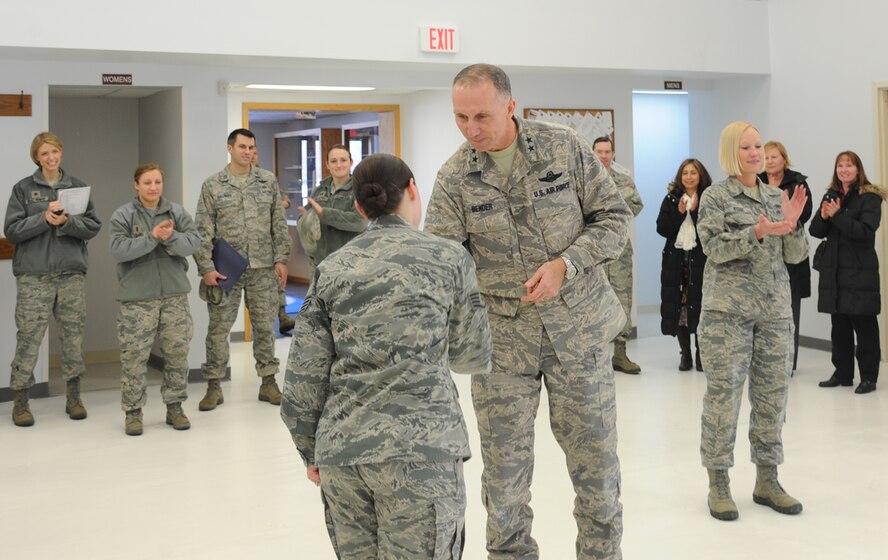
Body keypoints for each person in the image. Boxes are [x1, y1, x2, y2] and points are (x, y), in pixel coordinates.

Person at [425, 63, 631, 560]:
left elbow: (615, 220)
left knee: (596, 469)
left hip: (578, 333)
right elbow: (442, 264)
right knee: (504, 480)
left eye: (482, 115)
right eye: (460, 117)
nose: (471, 129)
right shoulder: (455, 178)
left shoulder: (564, 148)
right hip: (501, 345)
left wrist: (568, 264)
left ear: (511, 106)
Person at [281, 153, 491, 559]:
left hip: (344, 453)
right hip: (422, 452)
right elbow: (472, 356)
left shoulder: (332, 269)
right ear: (413, 189)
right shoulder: (449, 258)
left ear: (359, 207)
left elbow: (303, 379)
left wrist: (311, 452)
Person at [697, 121, 808, 521]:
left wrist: (793, 225)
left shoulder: (777, 195)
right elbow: (712, 247)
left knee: (772, 397)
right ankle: (719, 482)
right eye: (746, 147)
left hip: (775, 311)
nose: (755, 153)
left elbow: (795, 256)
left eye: (759, 146)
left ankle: (767, 479)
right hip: (728, 314)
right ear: (732, 152)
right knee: (724, 398)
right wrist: (756, 233)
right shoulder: (715, 196)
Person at [4, 132, 101, 427]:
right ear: (37, 157)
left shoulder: (77, 187)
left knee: (73, 338)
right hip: (35, 276)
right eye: (44, 153)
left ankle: (74, 397)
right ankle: (20, 400)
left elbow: (93, 226)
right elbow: (12, 230)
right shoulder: (23, 189)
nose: (51, 158)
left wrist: (67, 222)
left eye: (55, 152)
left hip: (70, 275)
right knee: (29, 339)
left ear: (61, 153)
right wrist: (43, 219)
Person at [194, 128, 290, 410]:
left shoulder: (267, 181)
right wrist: (206, 268)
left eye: (251, 147)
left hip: (263, 267)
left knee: (264, 327)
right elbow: (203, 230)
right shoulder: (213, 185)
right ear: (230, 149)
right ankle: (213, 385)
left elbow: (278, 223)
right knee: (218, 329)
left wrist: (281, 258)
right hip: (227, 269)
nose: (247, 152)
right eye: (242, 147)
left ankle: (269, 382)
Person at [109, 163, 200, 436]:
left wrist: (170, 236)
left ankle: (175, 406)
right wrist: (152, 237)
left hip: (174, 295)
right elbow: (119, 250)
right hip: (138, 299)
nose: (153, 187)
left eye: (157, 182)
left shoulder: (176, 212)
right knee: (134, 357)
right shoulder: (123, 215)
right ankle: (133, 412)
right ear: (136, 185)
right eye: (147, 182)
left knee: (177, 354)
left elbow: (193, 243)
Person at [809, 151, 885, 394]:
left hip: (860, 271)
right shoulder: (831, 194)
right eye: (840, 165)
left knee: (864, 326)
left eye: (849, 165)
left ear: (858, 169)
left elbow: (865, 231)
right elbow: (816, 231)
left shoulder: (869, 196)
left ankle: (869, 378)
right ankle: (842, 374)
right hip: (835, 272)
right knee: (839, 325)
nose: (844, 170)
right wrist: (823, 216)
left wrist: (838, 215)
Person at [758, 141, 812, 372]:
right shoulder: (756, 181)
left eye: (774, 157)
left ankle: (788, 363)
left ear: (784, 159)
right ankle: (765, 362)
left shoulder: (797, 181)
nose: (769, 161)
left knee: (791, 312)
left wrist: (787, 214)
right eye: (766, 158)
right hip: (764, 254)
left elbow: (805, 213)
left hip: (791, 251)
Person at [593, 136, 644, 374]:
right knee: (594, 302)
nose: (603, 156)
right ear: (592, 153)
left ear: (613, 154)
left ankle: (621, 354)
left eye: (607, 151)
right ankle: (597, 356)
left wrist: (613, 213)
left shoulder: (624, 181)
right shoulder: (584, 180)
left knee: (623, 300)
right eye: (599, 151)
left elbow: (636, 205)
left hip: (620, 252)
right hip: (593, 253)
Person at [656, 158, 712, 371]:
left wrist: (696, 211)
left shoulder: (709, 198)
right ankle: (685, 354)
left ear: (700, 176)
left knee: (700, 305)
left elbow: (711, 228)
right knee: (679, 306)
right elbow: (662, 228)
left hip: (701, 261)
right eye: (685, 173)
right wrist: (680, 213)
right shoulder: (671, 199)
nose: (689, 176)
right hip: (676, 263)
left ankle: (701, 355)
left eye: (693, 173)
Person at [295, 144, 367, 270]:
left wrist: (324, 214)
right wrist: (305, 218)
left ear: (351, 162)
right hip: (319, 265)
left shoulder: (359, 190)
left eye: (343, 160)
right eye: (333, 161)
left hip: (348, 265)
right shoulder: (319, 190)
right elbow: (308, 216)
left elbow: (359, 222)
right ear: (327, 165)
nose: (339, 165)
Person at [252, 149, 297, 335]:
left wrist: (283, 203)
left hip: (270, 242)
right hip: (251, 243)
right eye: (247, 150)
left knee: (278, 282)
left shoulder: (267, 178)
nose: (252, 155)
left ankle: (282, 315)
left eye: (255, 152)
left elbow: (283, 201)